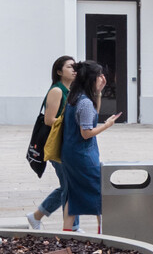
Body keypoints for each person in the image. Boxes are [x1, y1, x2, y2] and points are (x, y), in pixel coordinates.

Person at [60, 60, 122, 231]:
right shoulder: (85, 102)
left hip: (70, 153)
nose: (103, 78)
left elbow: (92, 113)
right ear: (91, 79)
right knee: (100, 191)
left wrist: (99, 93)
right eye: (100, 76)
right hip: (83, 155)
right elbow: (86, 132)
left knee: (73, 195)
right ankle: (103, 232)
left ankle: (66, 232)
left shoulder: (75, 97)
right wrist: (107, 125)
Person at [26, 55, 75, 230]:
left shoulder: (70, 90)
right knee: (70, 186)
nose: (74, 69)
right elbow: (49, 120)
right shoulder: (57, 91)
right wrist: (72, 125)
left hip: (66, 143)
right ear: (59, 71)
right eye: (70, 67)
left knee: (68, 185)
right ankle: (73, 227)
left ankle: (36, 216)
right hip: (56, 144)